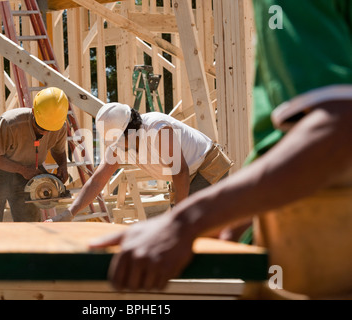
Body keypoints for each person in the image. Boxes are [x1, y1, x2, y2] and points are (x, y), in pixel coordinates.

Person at [88, 0, 352, 298]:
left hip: (225, 173)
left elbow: (336, 130)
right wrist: (246, 211)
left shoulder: (157, 129)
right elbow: (100, 176)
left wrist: (182, 221)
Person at [50, 102, 233, 222]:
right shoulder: (119, 145)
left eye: (119, 141)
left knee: (195, 226)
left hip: (207, 167)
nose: (118, 148)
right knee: (180, 230)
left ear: (131, 129)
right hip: (186, 176)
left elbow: (181, 172)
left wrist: (178, 216)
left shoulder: (158, 129)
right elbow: (97, 181)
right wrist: (70, 213)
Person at [0, 87, 69, 222]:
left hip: (30, 171)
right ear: (33, 112)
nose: (44, 133)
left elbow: (58, 150)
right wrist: (21, 170)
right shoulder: (10, 123)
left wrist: (63, 165)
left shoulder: (60, 126)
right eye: (41, 127)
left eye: (50, 129)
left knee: (30, 221)